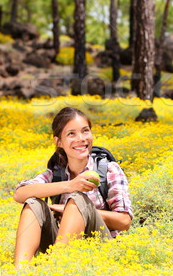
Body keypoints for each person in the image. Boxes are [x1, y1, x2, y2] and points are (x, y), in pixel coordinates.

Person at [13, 107, 133, 267]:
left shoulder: (108, 169)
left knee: (78, 200)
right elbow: (20, 194)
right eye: (71, 134)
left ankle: (56, 269)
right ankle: (19, 273)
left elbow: (124, 221)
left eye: (85, 131)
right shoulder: (57, 173)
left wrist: (72, 209)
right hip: (60, 243)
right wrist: (70, 185)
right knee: (33, 204)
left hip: (100, 248)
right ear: (59, 142)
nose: (81, 138)